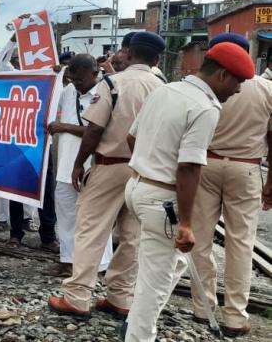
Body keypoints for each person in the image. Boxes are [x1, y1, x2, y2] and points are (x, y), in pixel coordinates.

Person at [123, 42, 252, 341]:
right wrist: (186, 223)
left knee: (175, 263)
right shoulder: (205, 108)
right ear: (221, 75)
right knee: (153, 285)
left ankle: (135, 324)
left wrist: (149, 165)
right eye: (238, 82)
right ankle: (138, 334)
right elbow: (189, 168)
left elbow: (132, 138)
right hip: (163, 200)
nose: (238, 90)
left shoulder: (164, 90)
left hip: (138, 188)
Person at [49, 31, 167, 317]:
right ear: (157, 58)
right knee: (131, 234)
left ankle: (77, 296)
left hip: (110, 165)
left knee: (90, 228)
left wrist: (79, 164)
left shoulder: (112, 84)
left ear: (128, 53)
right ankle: (120, 297)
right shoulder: (163, 86)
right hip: (145, 171)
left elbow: (94, 130)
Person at [190, 34, 269, 337]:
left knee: (199, 239)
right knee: (241, 244)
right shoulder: (265, 88)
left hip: (205, 164)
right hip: (246, 168)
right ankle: (235, 317)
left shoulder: (206, 87)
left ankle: (202, 308)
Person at [45, 54, 114, 278]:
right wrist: (55, 73)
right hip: (66, 166)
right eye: (73, 79)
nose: (77, 84)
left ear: (95, 74)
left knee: (94, 218)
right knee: (65, 215)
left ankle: (101, 266)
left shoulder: (105, 93)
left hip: (92, 166)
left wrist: (63, 126)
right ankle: (68, 261)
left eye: (81, 80)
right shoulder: (69, 91)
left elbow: (99, 130)